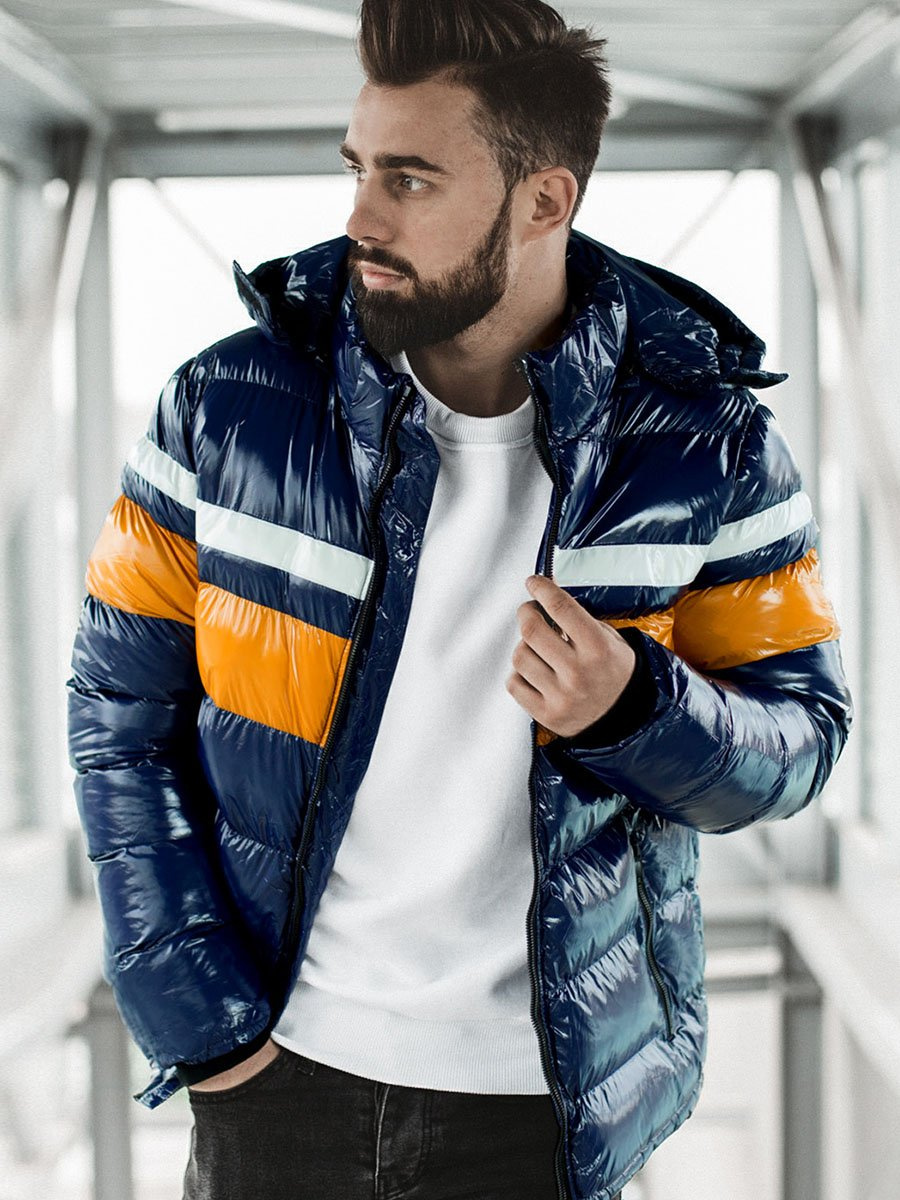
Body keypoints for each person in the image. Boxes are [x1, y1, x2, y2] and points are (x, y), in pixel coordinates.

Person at [66, 1, 853, 1197]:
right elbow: (118, 717)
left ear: (545, 200)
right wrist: (202, 1024)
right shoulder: (223, 411)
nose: (361, 218)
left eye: (411, 180)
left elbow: (800, 740)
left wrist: (638, 709)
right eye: (358, 168)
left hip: (541, 1108)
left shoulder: (709, 448)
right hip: (274, 1081)